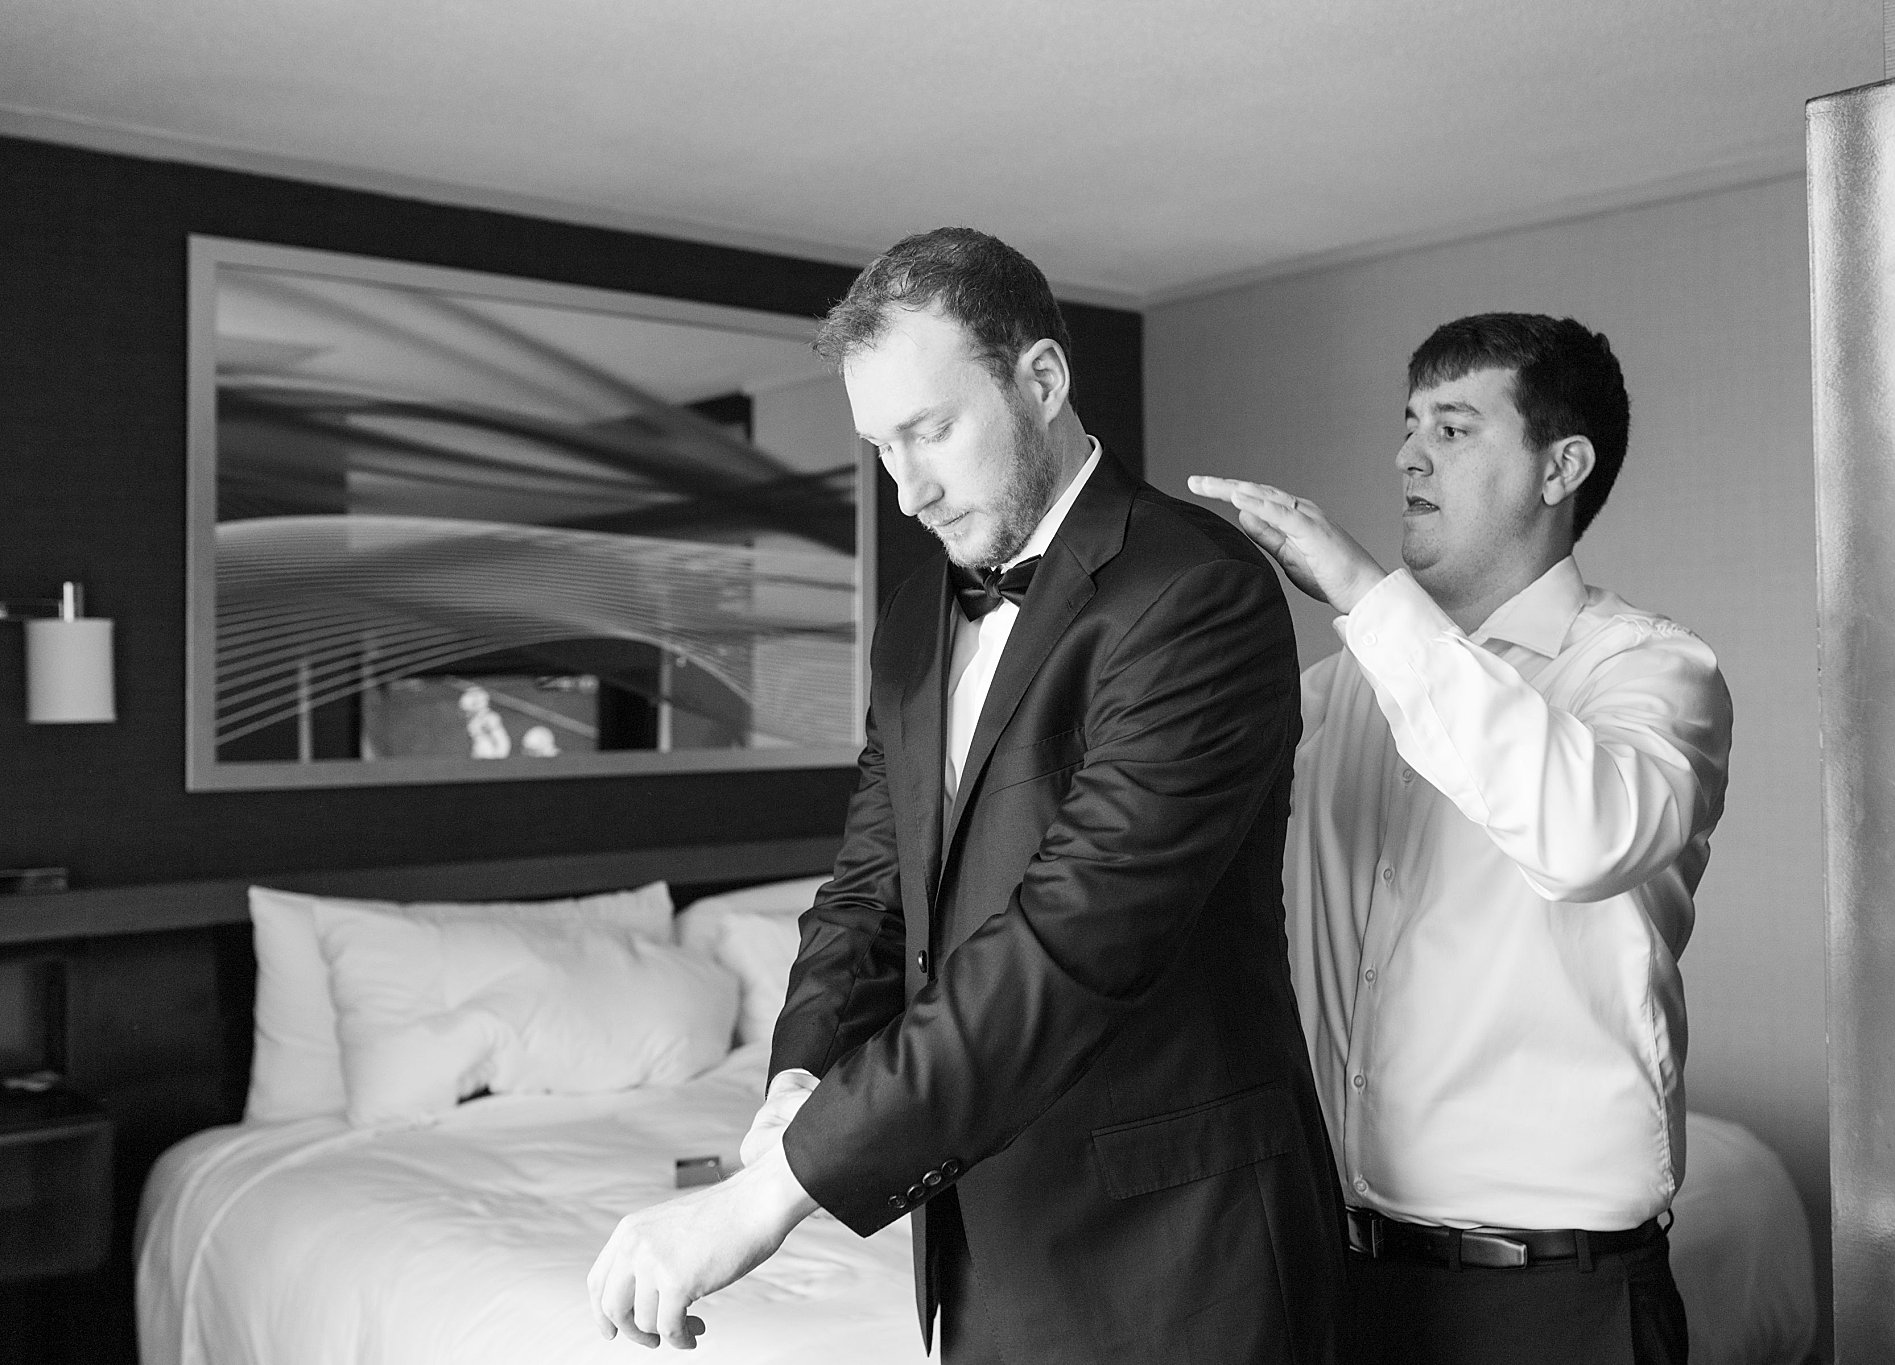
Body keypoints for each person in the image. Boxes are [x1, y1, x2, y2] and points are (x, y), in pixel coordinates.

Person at [587, 227, 1347, 1362]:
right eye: (878, 449)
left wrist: (771, 1196)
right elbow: (868, 886)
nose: (905, 493)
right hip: (976, 1250)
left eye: (928, 431)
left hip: (1181, 1256)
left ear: (1040, 381)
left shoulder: (1194, 594)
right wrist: (797, 1075)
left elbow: (1071, 941)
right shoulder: (914, 614)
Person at [1191, 313, 1732, 1365]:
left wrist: (1358, 594)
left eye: (1450, 427)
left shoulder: (1650, 674)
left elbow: (1583, 839)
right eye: (1405, 425)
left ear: (1557, 466)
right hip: (1336, 1279)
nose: (1405, 454)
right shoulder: (1329, 699)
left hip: (1553, 1305)